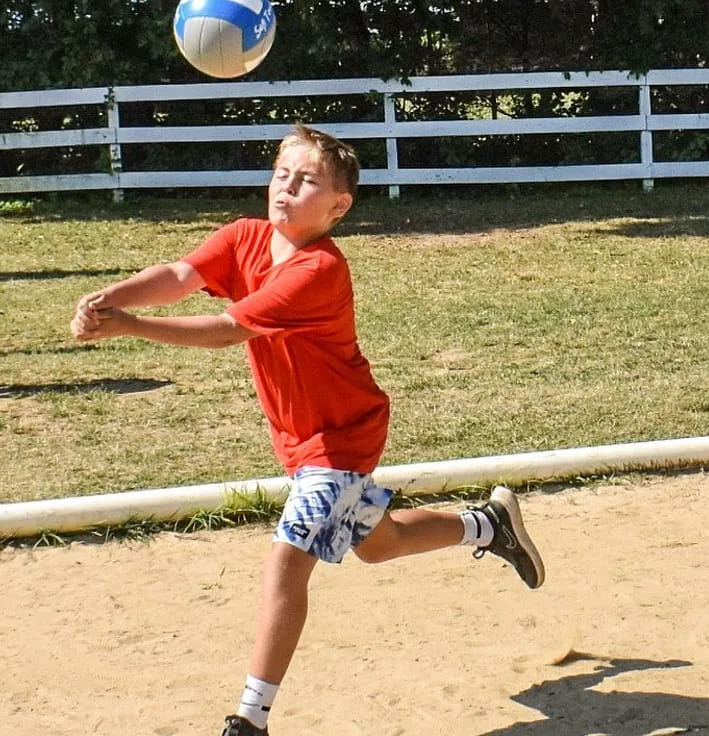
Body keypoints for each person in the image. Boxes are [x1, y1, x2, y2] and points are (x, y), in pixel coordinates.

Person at [70, 124, 545, 736]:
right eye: (281, 175)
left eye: (307, 182)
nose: (287, 189)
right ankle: (489, 524)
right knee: (381, 544)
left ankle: (249, 721)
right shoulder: (245, 237)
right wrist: (111, 297)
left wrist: (129, 327)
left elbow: (226, 330)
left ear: (338, 206)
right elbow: (179, 274)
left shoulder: (320, 268)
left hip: (340, 438)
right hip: (301, 439)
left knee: (287, 562)